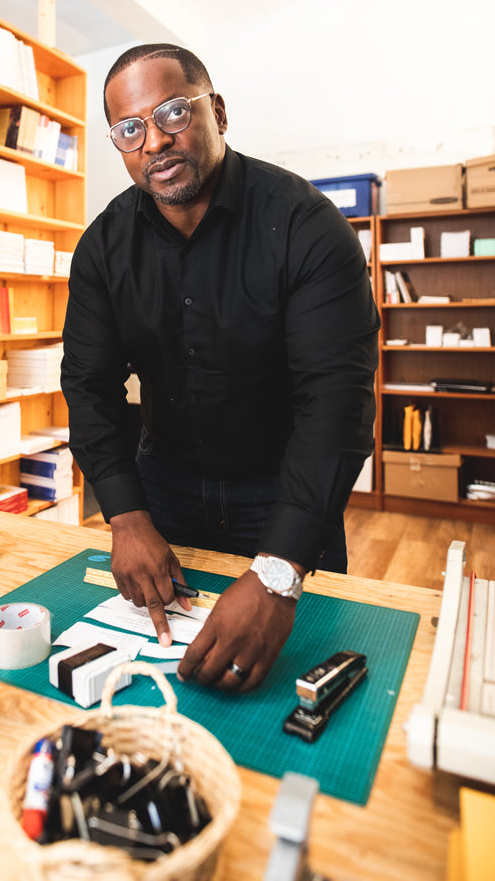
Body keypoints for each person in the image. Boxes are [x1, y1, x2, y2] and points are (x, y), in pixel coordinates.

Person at [61, 43, 379, 693]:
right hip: (162, 487)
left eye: (173, 112)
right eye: (130, 128)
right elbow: (89, 386)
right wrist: (125, 515)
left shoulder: (307, 226)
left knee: (304, 675)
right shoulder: (102, 249)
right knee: (161, 675)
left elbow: (336, 402)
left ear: (219, 113)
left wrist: (279, 573)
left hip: (285, 487)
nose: (155, 141)